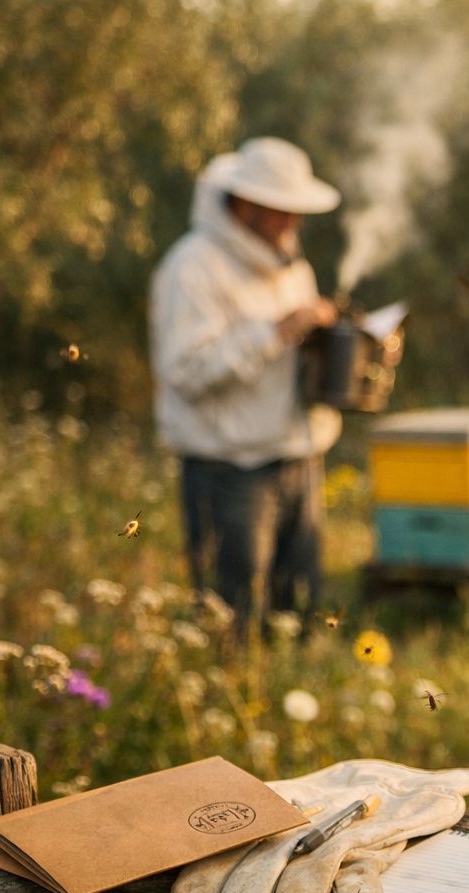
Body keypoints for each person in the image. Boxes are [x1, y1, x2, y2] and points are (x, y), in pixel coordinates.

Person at [149, 136, 342, 629]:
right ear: (244, 203)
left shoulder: (293, 266)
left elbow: (293, 360)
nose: (292, 222)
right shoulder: (192, 267)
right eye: (281, 209)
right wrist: (275, 332)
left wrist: (338, 341)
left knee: (297, 610)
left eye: (296, 210)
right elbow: (185, 370)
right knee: (231, 620)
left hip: (298, 458)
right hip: (229, 472)